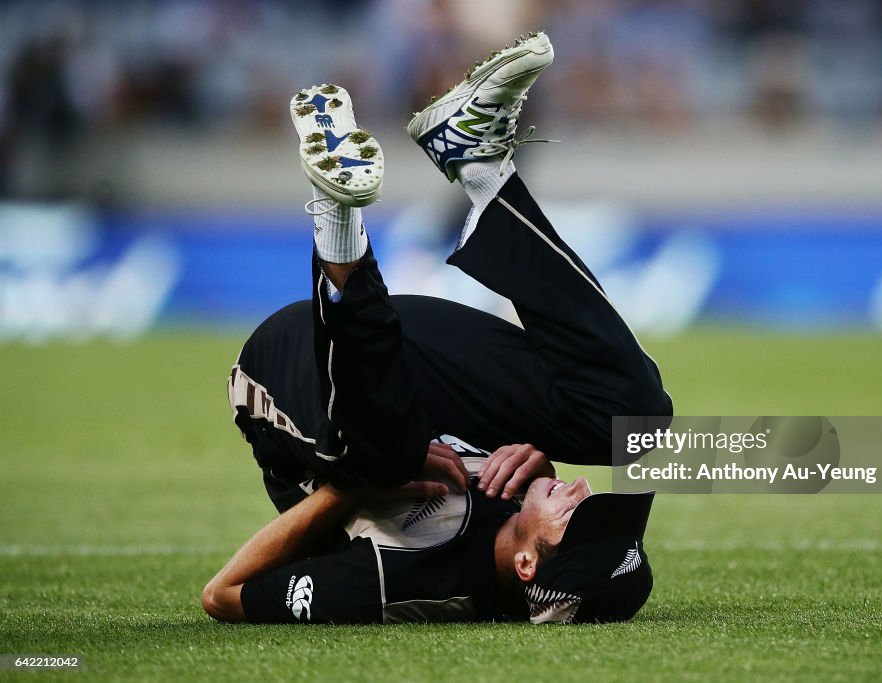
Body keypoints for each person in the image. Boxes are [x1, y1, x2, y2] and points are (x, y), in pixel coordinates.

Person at [203, 32, 672, 626]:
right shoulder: (524, 503)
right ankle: (478, 160)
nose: (582, 491)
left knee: (384, 458)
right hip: (408, 375)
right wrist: (530, 457)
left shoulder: (412, 578)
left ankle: (337, 219)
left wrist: (353, 490)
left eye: (578, 518)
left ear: (527, 566)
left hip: (291, 381)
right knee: (635, 421)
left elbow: (223, 596)